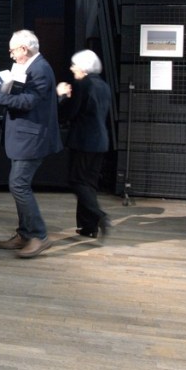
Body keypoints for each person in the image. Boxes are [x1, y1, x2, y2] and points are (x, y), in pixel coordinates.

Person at [0, 29, 62, 259]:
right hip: (24, 138)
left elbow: (28, 101)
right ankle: (25, 234)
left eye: (13, 51)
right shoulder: (31, 67)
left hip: (32, 139)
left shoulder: (39, 69)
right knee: (19, 184)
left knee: (18, 184)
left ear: (24, 49)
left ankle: (38, 235)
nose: (11, 55)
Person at [57, 49, 112, 239]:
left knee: (77, 181)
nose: (72, 68)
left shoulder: (83, 84)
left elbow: (69, 113)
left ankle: (99, 215)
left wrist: (62, 97)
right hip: (101, 141)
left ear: (84, 67)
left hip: (84, 141)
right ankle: (89, 227)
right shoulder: (103, 85)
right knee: (89, 184)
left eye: (74, 65)